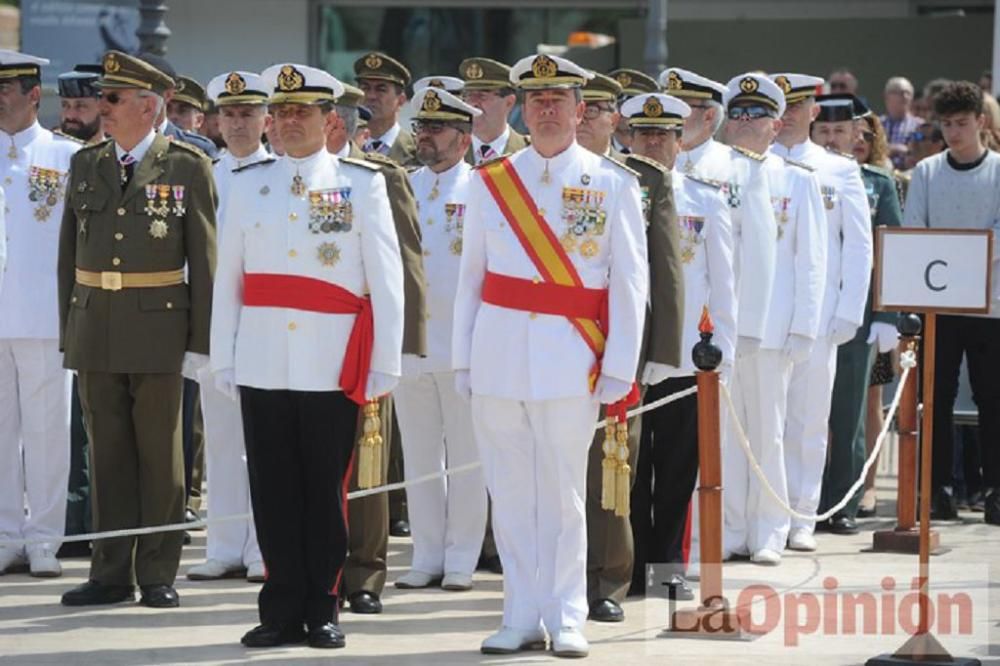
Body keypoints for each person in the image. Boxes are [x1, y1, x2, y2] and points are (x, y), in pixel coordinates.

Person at [453, 53, 647, 658]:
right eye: (535, 100)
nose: (545, 109)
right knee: (509, 494)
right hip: (500, 355)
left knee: (564, 495)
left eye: (557, 99)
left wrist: (619, 364)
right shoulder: (492, 181)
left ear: (579, 109)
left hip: (572, 359)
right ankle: (519, 613)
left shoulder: (614, 183)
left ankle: (567, 616)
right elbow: (471, 280)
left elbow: (630, 284)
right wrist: (464, 360)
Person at [211, 62, 404, 648]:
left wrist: (384, 362)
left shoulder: (362, 183)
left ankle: (322, 604)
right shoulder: (247, 184)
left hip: (330, 359)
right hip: (264, 356)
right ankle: (279, 607)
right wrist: (226, 356)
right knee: (271, 491)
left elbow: (386, 278)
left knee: (324, 490)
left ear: (330, 121)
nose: (291, 121)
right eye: (284, 111)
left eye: (304, 112)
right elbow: (230, 282)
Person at [57, 50, 216, 607]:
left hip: (159, 331)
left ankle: (156, 573)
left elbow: (205, 260)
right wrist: (69, 331)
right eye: (104, 97)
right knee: (107, 457)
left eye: (113, 98)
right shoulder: (87, 162)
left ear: (149, 108)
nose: (103, 107)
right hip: (95, 326)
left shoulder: (186, 166)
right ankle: (109, 572)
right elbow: (67, 257)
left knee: (160, 459)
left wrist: (200, 344)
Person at [576, 73, 685, 620]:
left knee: (616, 470)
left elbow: (665, 271)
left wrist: (664, 351)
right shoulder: (529, 177)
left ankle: (608, 582)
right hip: (552, 342)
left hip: (620, 346)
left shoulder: (645, 178)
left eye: (599, 109)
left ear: (614, 119)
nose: (589, 118)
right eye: (583, 107)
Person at [622, 90, 735, 591]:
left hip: (684, 357)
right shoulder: (612, 190)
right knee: (623, 470)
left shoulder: (703, 198)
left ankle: (665, 568)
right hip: (623, 355)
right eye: (643, 134)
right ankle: (624, 564)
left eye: (662, 135)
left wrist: (722, 356)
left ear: (679, 140)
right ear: (627, 137)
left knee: (673, 471)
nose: (652, 144)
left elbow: (724, 281)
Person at [327, 82, 429, 615]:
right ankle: (318, 569)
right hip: (307, 337)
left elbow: (407, 263)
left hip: (363, 334)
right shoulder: (283, 177)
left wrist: (403, 347)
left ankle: (364, 574)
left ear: (338, 124)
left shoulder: (381, 176)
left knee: (368, 456)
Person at [720, 73, 827, 563]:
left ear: (776, 123)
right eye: (737, 113)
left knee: (769, 431)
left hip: (772, 328)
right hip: (720, 327)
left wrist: (805, 325)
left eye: (756, 114)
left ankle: (770, 528)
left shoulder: (797, 182)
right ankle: (731, 527)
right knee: (726, 432)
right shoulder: (710, 177)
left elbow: (812, 261)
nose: (745, 123)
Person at [769, 73, 873, 542]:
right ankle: (767, 516)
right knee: (765, 422)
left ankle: (802, 515)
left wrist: (849, 310)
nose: (788, 114)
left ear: (814, 112)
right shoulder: (759, 163)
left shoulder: (838, 169)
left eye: (798, 105)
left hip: (821, 314)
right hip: (767, 315)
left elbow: (858, 246)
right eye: (781, 105)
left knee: (810, 420)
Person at [391, 87, 487, 592]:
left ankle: (461, 558)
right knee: (421, 457)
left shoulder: (482, 189)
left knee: (468, 458)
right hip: (412, 345)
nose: (424, 137)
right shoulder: (404, 185)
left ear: (464, 138)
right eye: (420, 128)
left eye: (436, 129)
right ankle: (426, 554)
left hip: (462, 347)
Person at [185, 70, 271, 583]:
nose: (238, 124)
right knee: (219, 439)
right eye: (230, 114)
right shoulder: (203, 174)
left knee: (262, 441)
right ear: (216, 120)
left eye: (248, 114)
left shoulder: (281, 173)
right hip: (214, 324)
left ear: (265, 119)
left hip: (264, 321)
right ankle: (222, 544)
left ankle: (263, 545)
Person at [903, 81, 1000, 526]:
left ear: (981, 121)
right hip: (938, 307)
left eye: (962, 123)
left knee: (992, 398)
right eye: (947, 124)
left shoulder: (998, 171)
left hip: (990, 304)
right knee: (934, 397)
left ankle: (995, 490)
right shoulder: (926, 172)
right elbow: (914, 229)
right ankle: (937, 488)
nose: (954, 133)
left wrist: (958, 259)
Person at [0, 50, 79, 578]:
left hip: (46, 314)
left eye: (8, 87)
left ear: (34, 95)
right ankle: (6, 535)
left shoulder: (66, 156)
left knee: (49, 431)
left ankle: (46, 538)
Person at [811, 94, 902, 536]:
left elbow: (890, 253)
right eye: (823, 131)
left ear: (856, 136)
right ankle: (804, 502)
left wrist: (888, 314)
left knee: (847, 415)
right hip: (806, 309)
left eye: (839, 132)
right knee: (803, 414)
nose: (831, 140)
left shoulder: (876, 183)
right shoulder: (799, 175)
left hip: (859, 313)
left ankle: (841, 503)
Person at [56, 62, 104, 560]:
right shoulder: (59, 155)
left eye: (82, 106)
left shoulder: (92, 160)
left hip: (103, 307)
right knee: (69, 429)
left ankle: (92, 518)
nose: (71, 115)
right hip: (61, 307)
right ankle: (73, 517)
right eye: (66, 106)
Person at [459, 57, 529, 165]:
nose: (473, 103)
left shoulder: (529, 152)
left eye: (482, 96)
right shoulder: (449, 153)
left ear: (509, 102)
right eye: (468, 95)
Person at [355, 51, 418, 167]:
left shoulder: (417, 151)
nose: (371, 96)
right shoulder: (344, 146)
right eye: (365, 88)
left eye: (381, 89)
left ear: (401, 100)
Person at [608, 68, 659, 154]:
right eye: (618, 104)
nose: (623, 111)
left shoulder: (657, 151)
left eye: (631, 105)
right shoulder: (595, 151)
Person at [880, 76, 923, 169]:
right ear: (886, 96)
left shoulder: (920, 125)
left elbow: (922, 151)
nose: (904, 96)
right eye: (899, 92)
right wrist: (895, 148)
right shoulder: (877, 124)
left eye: (908, 93)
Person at [58, 65, 104, 143]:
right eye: (65, 105)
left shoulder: (117, 153)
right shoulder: (47, 153)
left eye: (80, 106)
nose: (70, 115)